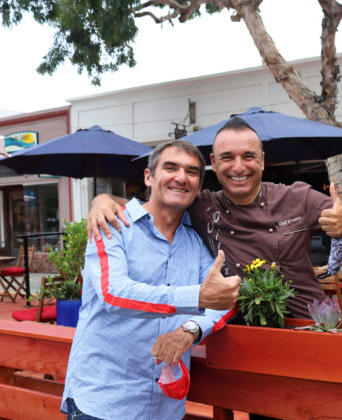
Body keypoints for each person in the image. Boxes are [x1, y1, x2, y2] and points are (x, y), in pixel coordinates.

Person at [88, 117, 342, 319]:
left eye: (248, 156)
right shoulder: (201, 205)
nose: (238, 167)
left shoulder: (298, 197)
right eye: (227, 157)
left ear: (262, 160)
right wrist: (103, 200)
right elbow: (154, 202)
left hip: (310, 323)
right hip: (242, 327)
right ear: (213, 164)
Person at [62, 140, 241, 420]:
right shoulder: (112, 224)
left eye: (191, 172)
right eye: (171, 167)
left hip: (165, 407)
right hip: (104, 402)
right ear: (149, 177)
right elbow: (114, 293)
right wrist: (196, 298)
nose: (181, 177)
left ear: (197, 185)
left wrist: (190, 330)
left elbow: (224, 301)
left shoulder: (194, 242)